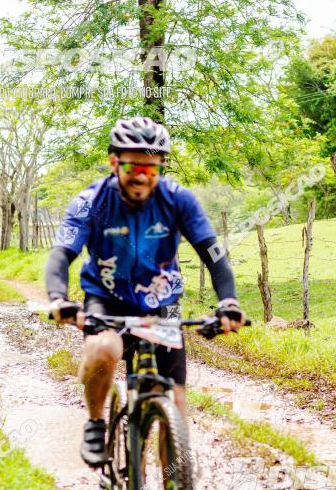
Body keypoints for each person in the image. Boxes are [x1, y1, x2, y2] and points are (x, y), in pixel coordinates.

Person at [46, 115, 246, 467]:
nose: (141, 175)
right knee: (104, 349)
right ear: (113, 162)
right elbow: (62, 254)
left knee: (177, 402)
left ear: (161, 168)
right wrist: (58, 298)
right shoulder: (89, 201)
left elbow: (214, 254)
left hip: (162, 302)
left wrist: (228, 302)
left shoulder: (178, 199)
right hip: (107, 299)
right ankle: (95, 422)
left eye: (151, 169)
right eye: (132, 165)